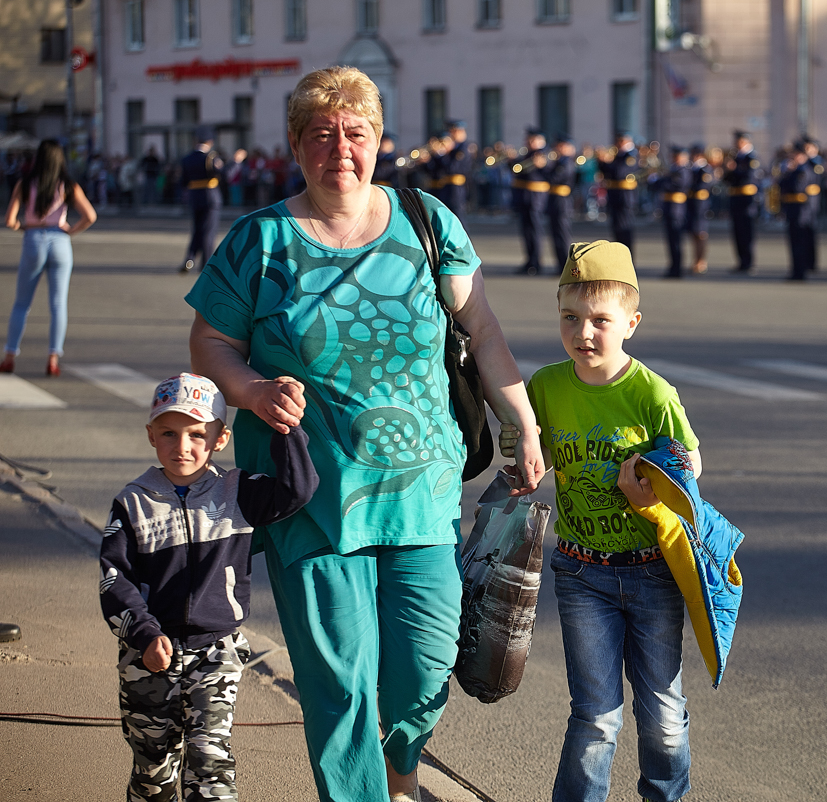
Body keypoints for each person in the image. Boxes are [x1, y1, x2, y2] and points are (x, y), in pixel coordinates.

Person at [186, 65, 544, 802]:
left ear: (379, 139)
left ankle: (401, 768)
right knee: (338, 682)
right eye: (322, 135)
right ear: (296, 145)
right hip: (312, 499)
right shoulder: (261, 241)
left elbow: (482, 331)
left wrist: (525, 421)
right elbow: (211, 341)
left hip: (423, 492)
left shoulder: (427, 220)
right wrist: (251, 389)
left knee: (423, 662)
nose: (339, 149)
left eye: (356, 133)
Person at [503, 239, 702, 802]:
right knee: (595, 714)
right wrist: (521, 452)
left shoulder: (652, 393)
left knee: (662, 709)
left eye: (600, 320)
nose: (583, 333)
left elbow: (691, 464)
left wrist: (655, 480)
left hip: (652, 572)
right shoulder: (545, 385)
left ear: (631, 323)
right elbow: (520, 438)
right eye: (570, 317)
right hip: (581, 573)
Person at [99, 373, 317, 802]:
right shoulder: (133, 502)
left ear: (219, 439)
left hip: (217, 650)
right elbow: (113, 579)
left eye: (197, 434)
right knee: (153, 767)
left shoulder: (235, 492)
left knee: (210, 757)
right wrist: (144, 634)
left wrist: (285, 426)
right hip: (149, 655)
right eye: (169, 433)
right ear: (150, 435)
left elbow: (297, 491)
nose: (183, 446)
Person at [2, 138, 97, 377]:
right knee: (58, 303)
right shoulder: (67, 184)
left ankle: (10, 355)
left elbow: (10, 220)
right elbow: (90, 215)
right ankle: (53, 358)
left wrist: (26, 226)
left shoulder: (25, 183)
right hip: (60, 242)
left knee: (22, 303)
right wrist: (70, 230)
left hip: (34, 239)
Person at [180, 126, 224, 273]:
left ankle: (189, 259)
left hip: (194, 196)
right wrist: (236, 161)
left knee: (197, 230)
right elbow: (224, 174)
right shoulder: (210, 158)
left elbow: (183, 181)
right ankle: (205, 264)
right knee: (209, 232)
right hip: (210, 197)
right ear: (210, 142)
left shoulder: (187, 159)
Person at [779, 140, 821, 280]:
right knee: (795, 242)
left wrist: (788, 174)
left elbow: (796, 187)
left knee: (798, 242)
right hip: (795, 209)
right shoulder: (799, 169)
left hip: (800, 210)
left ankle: (799, 272)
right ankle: (797, 270)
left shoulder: (802, 170)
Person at [512, 126, 551, 275]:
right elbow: (517, 171)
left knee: (535, 230)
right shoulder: (526, 155)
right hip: (524, 196)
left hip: (536, 197)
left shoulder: (544, 155)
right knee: (526, 230)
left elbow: (549, 175)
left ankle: (536, 262)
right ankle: (529, 260)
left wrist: (541, 166)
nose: (528, 142)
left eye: (532, 139)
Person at [599, 131, 640, 259]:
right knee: (617, 230)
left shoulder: (631, 155)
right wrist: (601, 162)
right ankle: (619, 258)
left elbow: (619, 172)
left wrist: (607, 161)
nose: (616, 144)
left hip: (625, 198)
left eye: (619, 141)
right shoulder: (619, 154)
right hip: (615, 196)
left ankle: (627, 259)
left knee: (624, 229)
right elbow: (606, 172)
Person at [725, 130, 761, 272]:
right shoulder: (736, 157)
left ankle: (748, 261)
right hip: (736, 198)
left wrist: (734, 171)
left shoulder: (751, 158)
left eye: (739, 141)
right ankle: (741, 261)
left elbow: (748, 177)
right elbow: (728, 179)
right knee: (737, 232)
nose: (736, 144)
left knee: (747, 231)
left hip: (746, 200)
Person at [654, 145, 691, 278]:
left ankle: (677, 268)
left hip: (677, 209)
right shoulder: (673, 170)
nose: (674, 158)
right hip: (669, 207)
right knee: (671, 240)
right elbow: (658, 184)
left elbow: (673, 185)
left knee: (676, 240)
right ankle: (673, 266)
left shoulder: (683, 170)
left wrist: (662, 181)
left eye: (677, 156)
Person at [546, 132, 578, 271]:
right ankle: (560, 265)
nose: (556, 149)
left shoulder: (567, 162)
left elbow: (554, 178)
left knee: (562, 235)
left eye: (560, 146)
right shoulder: (559, 161)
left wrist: (542, 167)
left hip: (562, 201)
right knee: (556, 234)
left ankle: (566, 266)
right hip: (554, 200)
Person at [685, 143, 712, 274]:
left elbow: (702, 185)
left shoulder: (704, 169)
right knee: (694, 234)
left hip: (700, 204)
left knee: (701, 233)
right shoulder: (692, 168)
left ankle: (701, 261)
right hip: (691, 203)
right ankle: (695, 260)